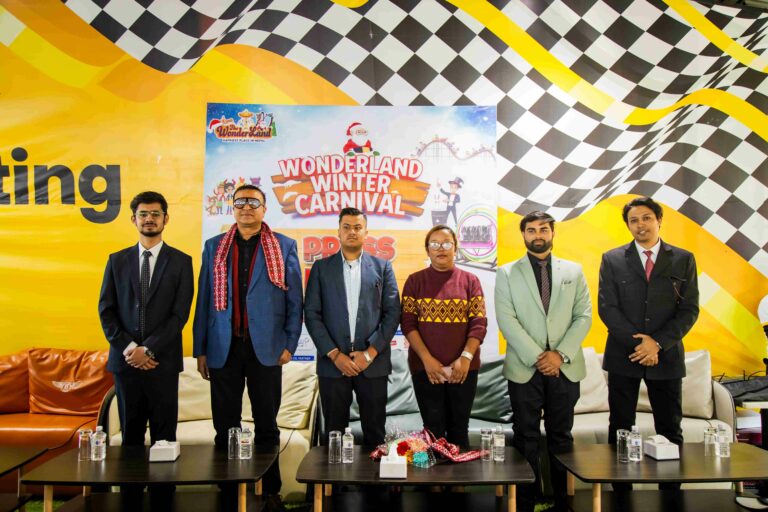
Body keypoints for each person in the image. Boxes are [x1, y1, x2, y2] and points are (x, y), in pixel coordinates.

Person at [193, 184, 303, 506]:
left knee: (267, 425)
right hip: (223, 348)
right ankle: (229, 492)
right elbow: (204, 300)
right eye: (240, 201)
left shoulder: (283, 246)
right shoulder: (214, 247)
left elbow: (295, 300)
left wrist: (290, 343)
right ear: (233, 208)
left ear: (264, 209)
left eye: (253, 202)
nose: (246, 207)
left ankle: (270, 493)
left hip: (266, 349)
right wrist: (201, 349)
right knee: (225, 426)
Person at [599, 196, 699, 491]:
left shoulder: (683, 259)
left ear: (659, 220)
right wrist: (640, 346)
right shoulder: (612, 259)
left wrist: (657, 344)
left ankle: (670, 497)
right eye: (634, 220)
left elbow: (689, 310)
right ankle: (622, 496)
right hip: (624, 356)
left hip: (666, 356)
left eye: (646, 218)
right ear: (628, 226)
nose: (640, 225)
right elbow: (607, 307)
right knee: (620, 428)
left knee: (670, 428)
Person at [98, 191, 193, 497]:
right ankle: (130, 498)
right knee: (131, 437)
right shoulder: (117, 261)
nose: (149, 219)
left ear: (166, 219)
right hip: (126, 365)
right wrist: (131, 349)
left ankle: (163, 498)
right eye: (143, 214)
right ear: (133, 219)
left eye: (155, 214)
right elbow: (106, 311)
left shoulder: (181, 262)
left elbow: (179, 314)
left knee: (165, 438)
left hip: (162, 364)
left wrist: (149, 349)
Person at [494, 211, 591, 512]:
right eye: (532, 230)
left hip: (565, 368)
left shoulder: (574, 271)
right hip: (525, 369)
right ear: (523, 235)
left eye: (544, 229)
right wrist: (539, 357)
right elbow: (506, 319)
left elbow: (583, 316)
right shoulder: (506, 273)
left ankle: (562, 503)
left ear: (552, 233)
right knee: (526, 436)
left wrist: (559, 355)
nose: (538, 235)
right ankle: (526, 503)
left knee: (561, 437)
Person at [304, 207, 400, 446]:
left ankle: (373, 473)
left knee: (375, 435)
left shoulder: (382, 267)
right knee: (333, 436)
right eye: (346, 227)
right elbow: (312, 314)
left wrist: (369, 353)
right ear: (338, 231)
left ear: (366, 233)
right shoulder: (321, 268)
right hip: (332, 366)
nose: (352, 232)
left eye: (358, 227)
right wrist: (335, 355)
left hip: (373, 365)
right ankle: (336, 474)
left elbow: (392, 314)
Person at [401, 225, 486, 447]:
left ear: (455, 248)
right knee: (432, 430)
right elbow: (408, 324)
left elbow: (478, 324)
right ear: (427, 250)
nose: (441, 248)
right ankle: (435, 472)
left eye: (447, 243)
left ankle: (459, 472)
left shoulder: (470, 281)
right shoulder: (414, 281)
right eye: (435, 244)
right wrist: (427, 360)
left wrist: (465, 357)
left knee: (459, 430)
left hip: (464, 369)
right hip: (426, 369)